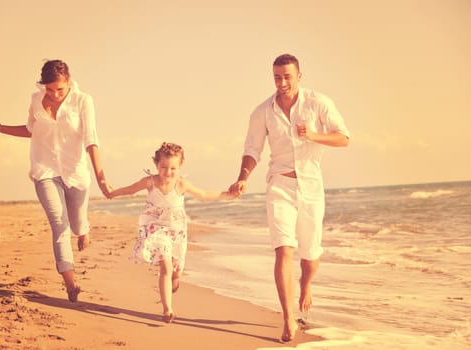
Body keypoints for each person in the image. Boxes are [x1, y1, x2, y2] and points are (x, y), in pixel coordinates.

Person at [228, 54, 350, 342]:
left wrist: (315, 135)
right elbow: (252, 149)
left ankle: (306, 285)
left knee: (310, 256)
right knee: (284, 249)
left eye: (287, 77)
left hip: (311, 186)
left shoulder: (318, 103)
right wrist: (243, 177)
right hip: (280, 185)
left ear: (299, 76)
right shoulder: (262, 112)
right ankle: (287, 318)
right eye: (277, 77)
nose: (282, 83)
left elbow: (344, 137)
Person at [0, 59, 112, 302]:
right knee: (58, 222)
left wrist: (101, 179)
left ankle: (83, 230)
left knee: (77, 223)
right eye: (50, 89)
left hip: (76, 173)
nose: (54, 94)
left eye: (59, 89)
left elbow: (91, 139)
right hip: (45, 170)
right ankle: (71, 283)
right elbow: (31, 130)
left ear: (69, 81)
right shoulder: (36, 99)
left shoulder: (83, 101)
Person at [107, 142, 233, 323]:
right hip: (155, 229)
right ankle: (167, 309)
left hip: (177, 233)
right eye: (163, 167)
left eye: (173, 168)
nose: (168, 172)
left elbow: (204, 194)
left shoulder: (181, 184)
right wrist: (112, 193)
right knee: (165, 267)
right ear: (156, 164)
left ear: (180, 166)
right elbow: (129, 189)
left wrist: (229, 194)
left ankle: (175, 279)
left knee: (175, 271)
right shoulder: (149, 182)